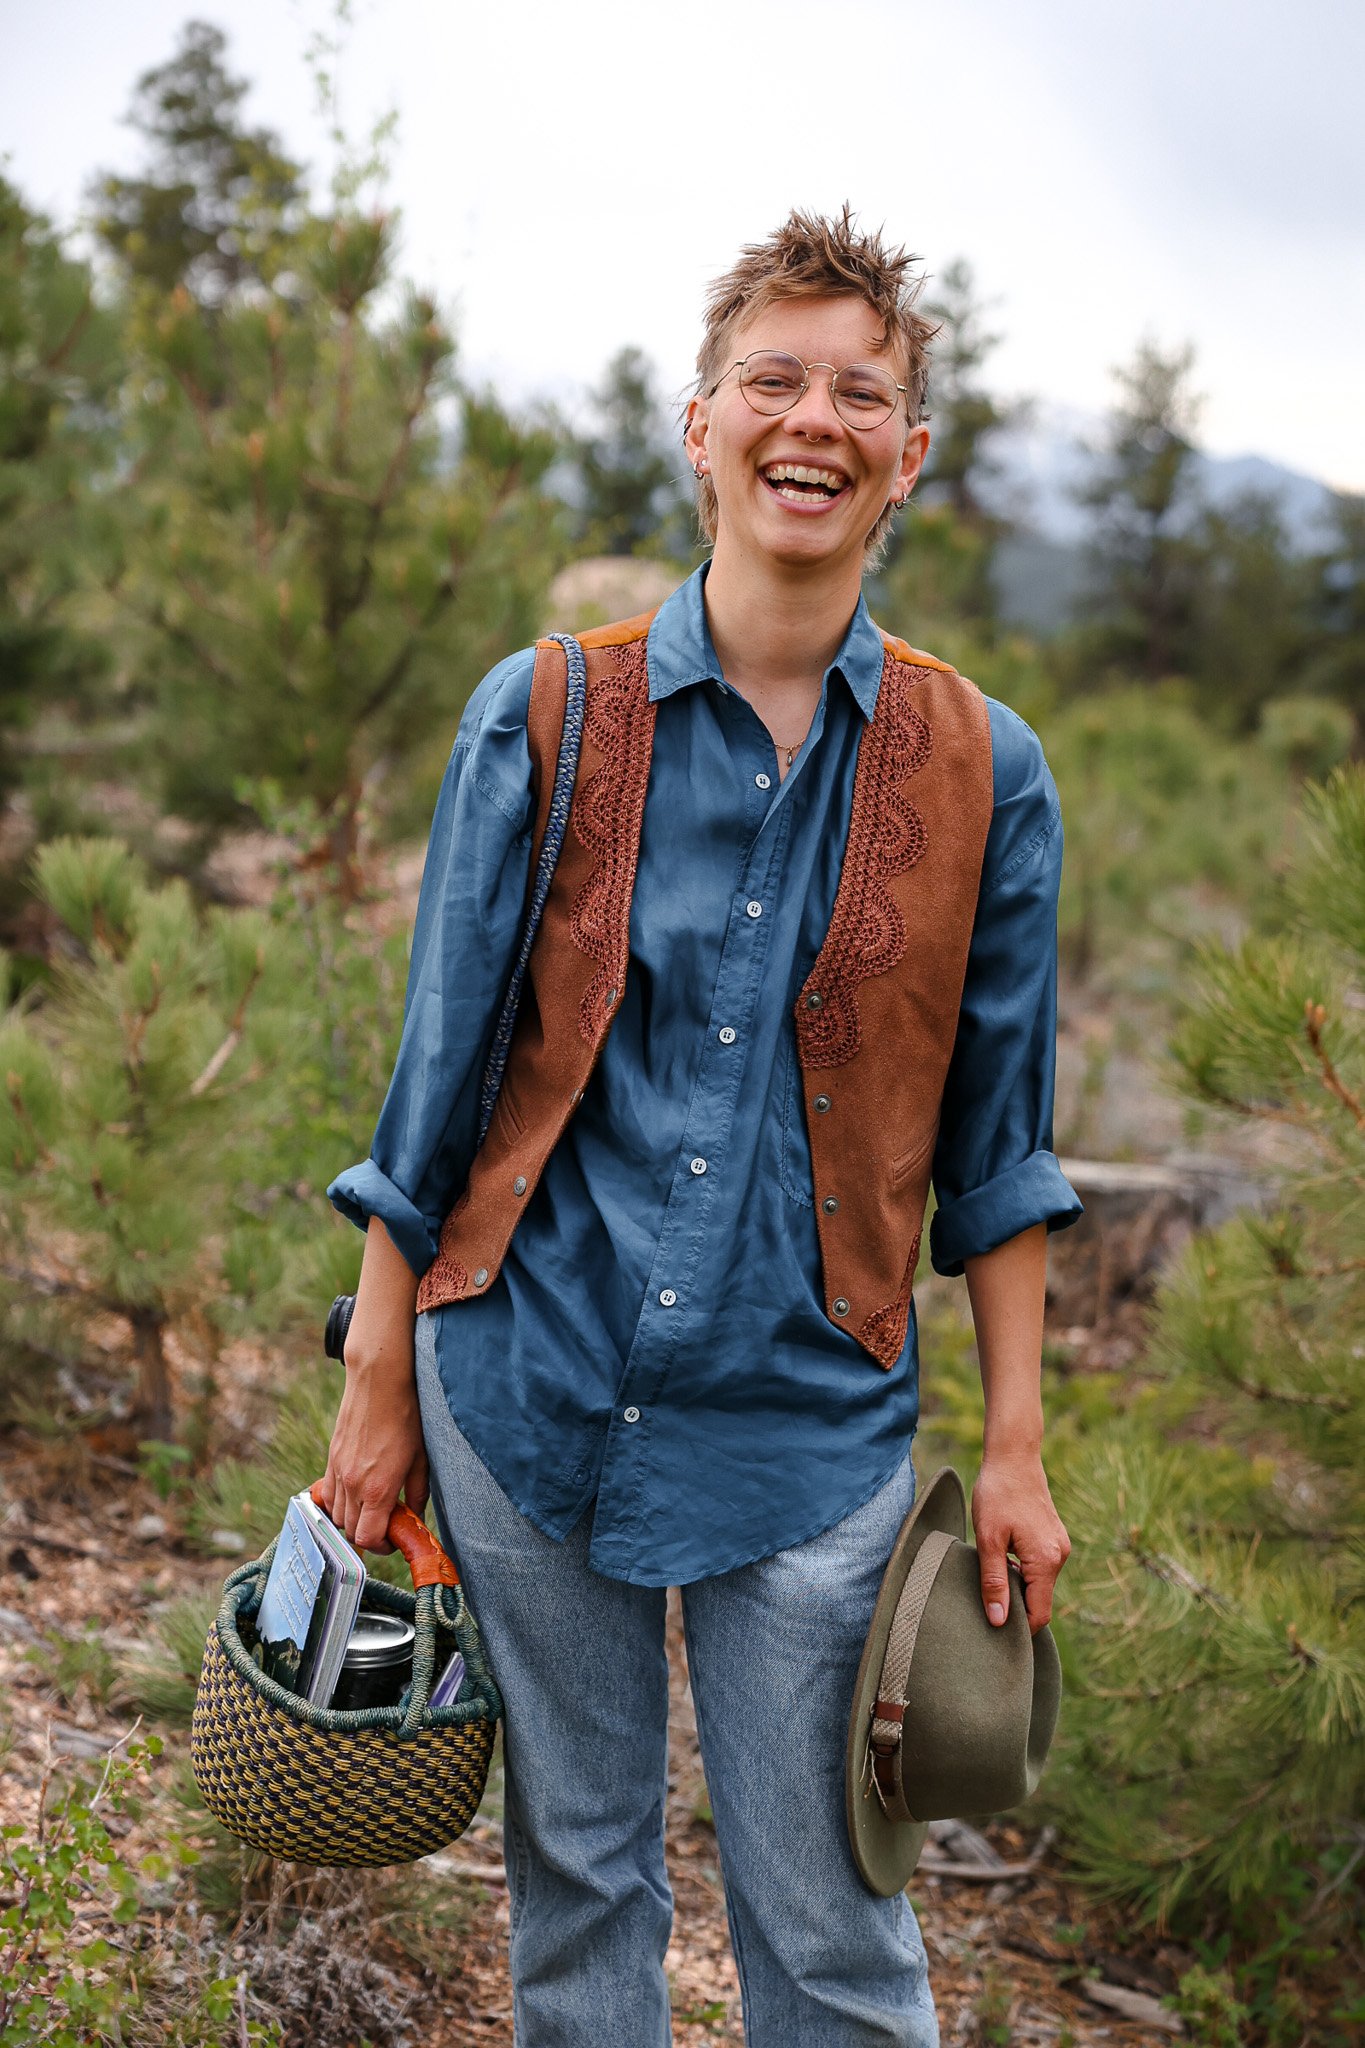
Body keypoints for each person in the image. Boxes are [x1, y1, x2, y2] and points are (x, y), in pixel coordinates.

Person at [321, 203, 1082, 2047]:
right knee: (578, 1889)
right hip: (526, 1386)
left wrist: (1012, 1445)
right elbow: (436, 1084)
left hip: (803, 1436)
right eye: (773, 380)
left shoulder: (986, 770)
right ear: (699, 421)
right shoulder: (547, 714)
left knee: (829, 1935)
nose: (808, 421)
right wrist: (375, 1379)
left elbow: (999, 1148)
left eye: (859, 394)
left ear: (908, 455)